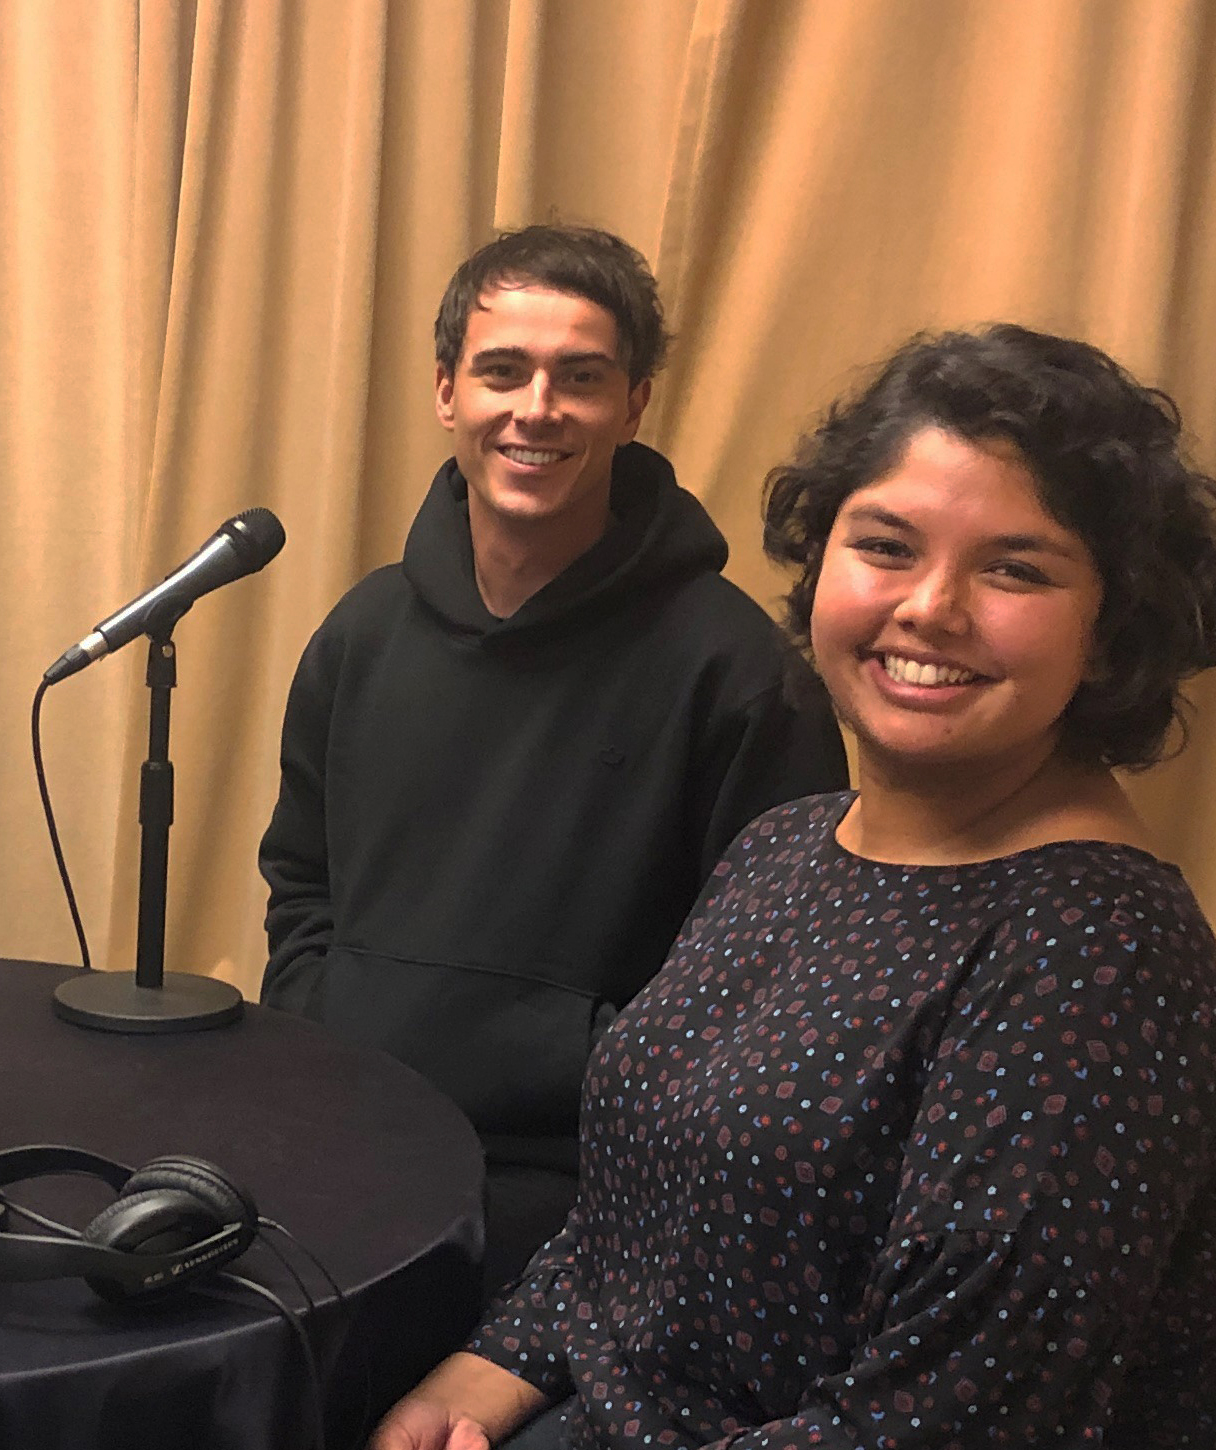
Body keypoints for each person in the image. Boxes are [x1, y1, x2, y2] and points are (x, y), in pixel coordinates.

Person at [247, 326, 1216, 1450]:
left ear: (1113, 624)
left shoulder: (1091, 967)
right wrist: (478, 1373)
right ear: (821, 560)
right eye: (886, 545)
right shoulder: (794, 848)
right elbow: (651, 1187)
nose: (927, 610)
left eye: (1011, 568)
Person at [257, 225, 848, 1295]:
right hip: (348, 1152)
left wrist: (599, 1076)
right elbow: (302, 880)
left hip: (595, 1211)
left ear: (634, 403)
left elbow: (778, 990)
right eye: (502, 371)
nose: (538, 408)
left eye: (581, 377)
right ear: (447, 392)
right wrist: (324, 1020)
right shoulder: (362, 635)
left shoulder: (740, 673)